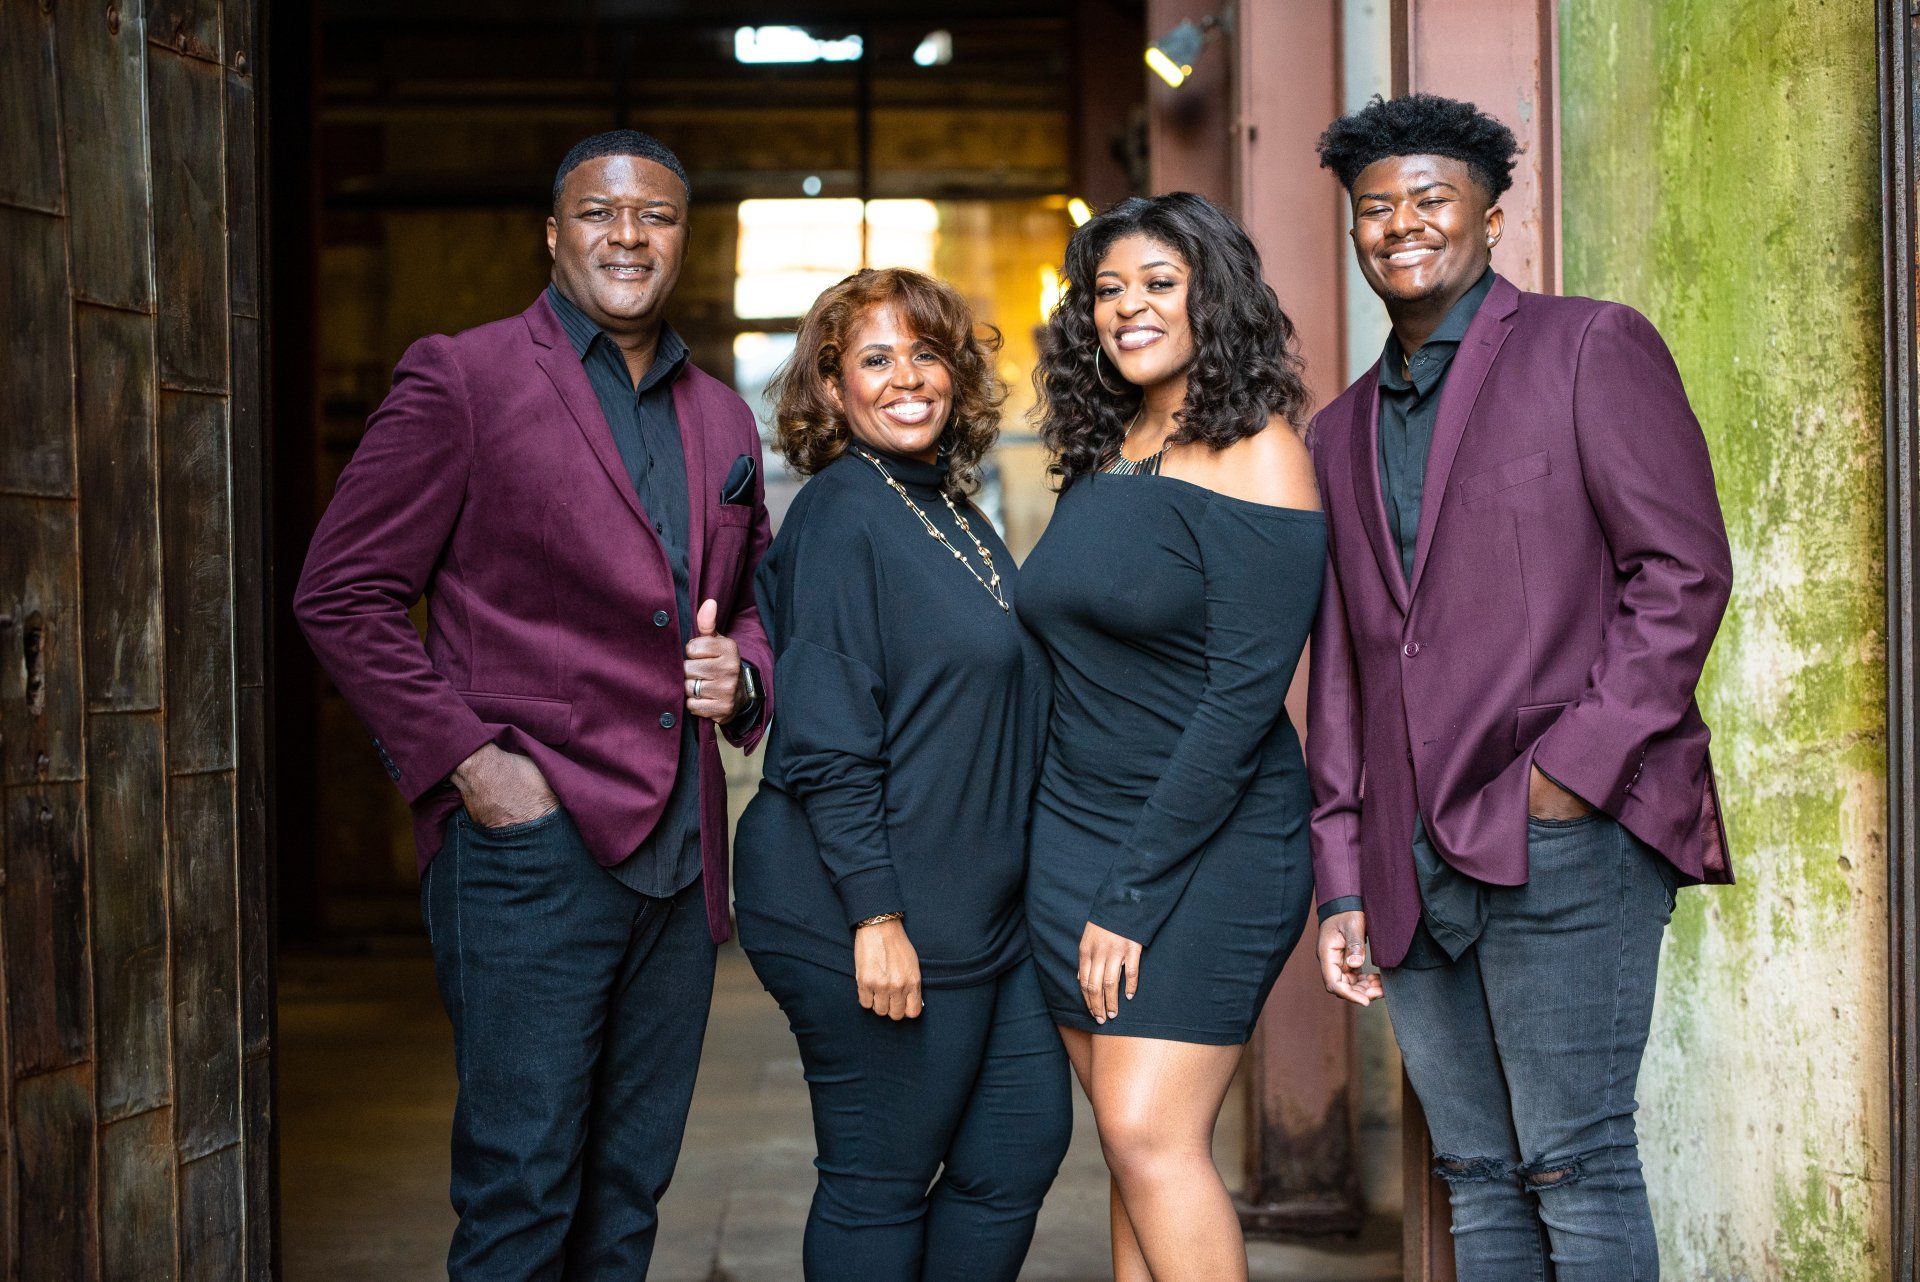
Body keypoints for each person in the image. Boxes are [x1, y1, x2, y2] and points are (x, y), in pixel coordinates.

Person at [294, 129, 774, 1279]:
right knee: (523, 1192)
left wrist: (748, 675)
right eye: (599, 213)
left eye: (655, 215)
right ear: (553, 235)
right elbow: (341, 591)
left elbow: (757, 598)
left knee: (627, 1196)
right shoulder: (464, 378)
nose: (628, 235)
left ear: (683, 238)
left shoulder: (722, 415)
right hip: (528, 848)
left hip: (681, 856)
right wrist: (472, 765)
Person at [1308, 94, 1733, 1279]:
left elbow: (1683, 572)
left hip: (1565, 835)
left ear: (1492, 218)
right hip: (1407, 851)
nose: (1401, 225)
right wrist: (1343, 870)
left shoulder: (1590, 345)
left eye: (1431, 199)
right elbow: (1344, 666)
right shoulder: (1335, 432)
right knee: (1479, 1177)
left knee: (1575, 1164)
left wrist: (1572, 774)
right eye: (1375, 207)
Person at [733, 267, 1072, 1281]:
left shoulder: (950, 508)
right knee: (877, 1181)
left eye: (926, 353)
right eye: (875, 359)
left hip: (975, 903)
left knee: (1017, 1146)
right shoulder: (843, 514)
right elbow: (827, 738)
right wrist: (874, 917)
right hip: (862, 903)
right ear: (831, 386)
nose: (907, 378)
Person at [1017, 194, 1324, 1282]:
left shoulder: (1259, 451)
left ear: (1215, 295)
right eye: (1107, 290)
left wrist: (1131, 894)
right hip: (1074, 840)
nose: (1128, 307)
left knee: (1151, 1134)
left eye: (1158, 283)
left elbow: (1242, 701)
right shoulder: (1107, 447)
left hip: (1207, 846)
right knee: (1131, 1147)